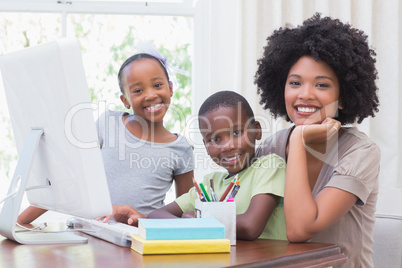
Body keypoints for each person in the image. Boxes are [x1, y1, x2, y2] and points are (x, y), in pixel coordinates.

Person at [254, 13, 380, 267]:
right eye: (295, 83)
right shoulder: (269, 148)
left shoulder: (361, 152)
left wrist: (299, 140)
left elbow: (300, 230)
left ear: (343, 97)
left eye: (321, 85)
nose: (305, 94)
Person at [17, 52, 194, 225]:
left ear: (170, 88)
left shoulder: (181, 148)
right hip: (95, 231)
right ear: (125, 101)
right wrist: (18, 222)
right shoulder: (109, 123)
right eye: (138, 90)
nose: (150, 95)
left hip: (141, 239)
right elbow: (69, 177)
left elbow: (182, 213)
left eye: (157, 85)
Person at [147, 90, 287, 241]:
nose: (227, 146)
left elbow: (250, 226)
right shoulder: (210, 184)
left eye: (237, 132)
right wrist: (187, 224)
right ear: (205, 145)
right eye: (215, 139)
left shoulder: (270, 166)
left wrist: (198, 223)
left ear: (257, 130)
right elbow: (154, 216)